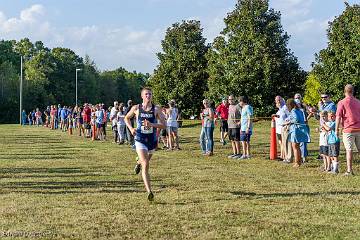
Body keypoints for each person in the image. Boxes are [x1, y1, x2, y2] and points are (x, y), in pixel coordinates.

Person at [124, 87, 166, 201]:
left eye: (150, 94)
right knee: (146, 164)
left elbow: (164, 125)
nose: (148, 96)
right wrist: (131, 128)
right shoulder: (136, 108)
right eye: (146, 94)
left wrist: (152, 125)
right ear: (142, 96)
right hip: (140, 139)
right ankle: (149, 192)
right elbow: (126, 118)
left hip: (151, 140)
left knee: (144, 161)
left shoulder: (156, 109)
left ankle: (138, 163)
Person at [336, 84, 360, 176]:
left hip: (348, 129)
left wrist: (336, 130)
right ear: (353, 91)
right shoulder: (358, 102)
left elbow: (338, 117)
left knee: (349, 150)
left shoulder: (341, 102)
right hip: (359, 128)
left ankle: (349, 170)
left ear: (344, 91)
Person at [285, 99, 310, 167]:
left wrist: (289, 122)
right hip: (300, 129)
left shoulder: (293, 110)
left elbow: (296, 119)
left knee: (295, 147)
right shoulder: (299, 110)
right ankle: (299, 161)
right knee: (298, 147)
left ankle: (297, 162)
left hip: (295, 130)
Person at [273, 96, 291, 162]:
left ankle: (284, 156)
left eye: (279, 100)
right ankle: (282, 155)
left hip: (283, 127)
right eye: (277, 100)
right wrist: (275, 116)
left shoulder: (285, 107)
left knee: (284, 142)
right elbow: (280, 117)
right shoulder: (279, 110)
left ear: (282, 100)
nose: (278, 101)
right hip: (278, 128)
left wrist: (286, 122)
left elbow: (289, 115)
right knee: (280, 142)